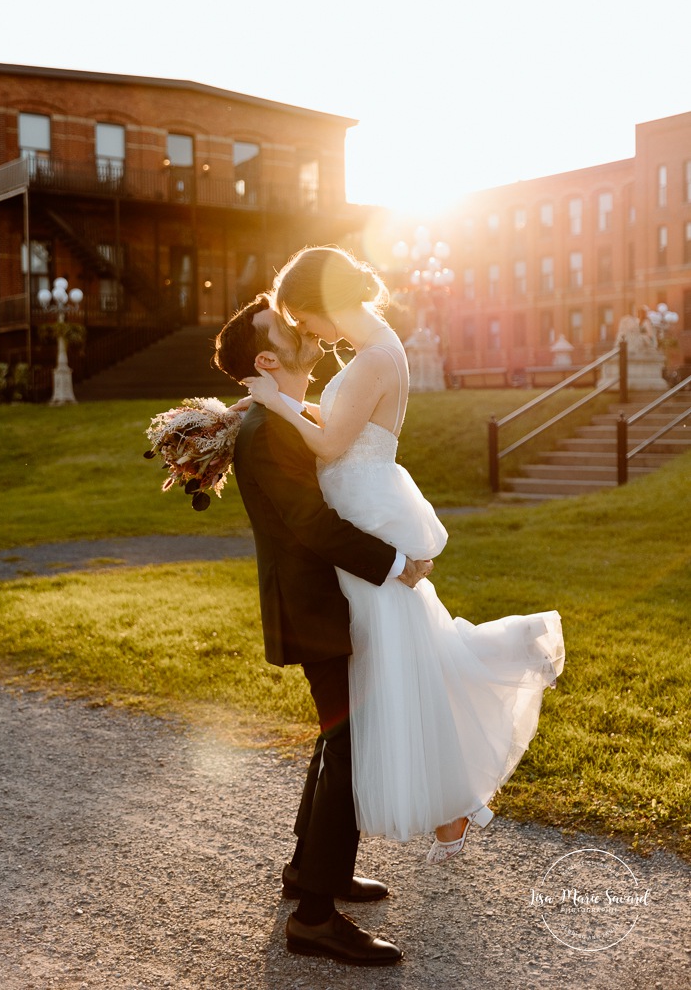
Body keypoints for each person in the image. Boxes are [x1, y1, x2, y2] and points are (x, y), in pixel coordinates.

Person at [243, 246, 565, 863]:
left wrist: (274, 400)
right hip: (364, 506)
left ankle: (419, 814)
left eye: (304, 320)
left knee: (390, 669)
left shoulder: (373, 357)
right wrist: (282, 405)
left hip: (361, 515)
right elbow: (340, 424)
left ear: (322, 304)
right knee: (404, 659)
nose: (306, 333)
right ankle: (414, 820)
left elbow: (333, 443)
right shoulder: (377, 349)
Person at [213, 295, 432, 966]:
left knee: (338, 737)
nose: (299, 323)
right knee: (349, 743)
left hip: (315, 602)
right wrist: (396, 563)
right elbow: (312, 524)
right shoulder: (270, 427)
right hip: (312, 605)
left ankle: (314, 874)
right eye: (281, 324)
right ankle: (312, 918)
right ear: (266, 357)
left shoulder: (281, 418)